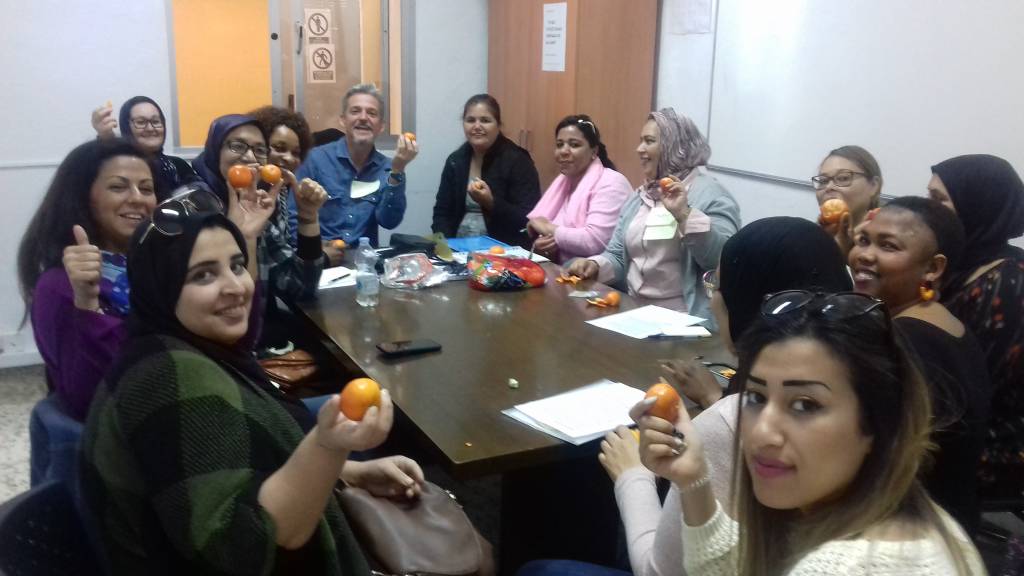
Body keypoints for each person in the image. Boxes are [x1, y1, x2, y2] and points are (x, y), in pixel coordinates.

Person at [80, 212, 424, 574]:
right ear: (160, 288)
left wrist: (348, 472)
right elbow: (245, 548)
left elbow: (242, 466)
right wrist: (328, 447)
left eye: (237, 265)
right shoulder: (170, 377)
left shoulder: (183, 350)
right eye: (203, 275)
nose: (236, 287)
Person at [639, 291, 985, 575]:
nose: (763, 433)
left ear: (877, 425)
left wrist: (633, 479)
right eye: (756, 397)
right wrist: (694, 480)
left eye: (805, 405)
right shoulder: (928, 523)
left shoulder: (836, 568)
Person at [593, 218, 852, 576]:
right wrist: (714, 396)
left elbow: (659, 571)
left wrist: (632, 476)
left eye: (717, 285)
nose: (712, 297)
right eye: (758, 397)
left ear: (743, 302)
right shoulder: (857, 392)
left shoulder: (728, 422)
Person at [850, 196, 992, 533]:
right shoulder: (937, 320)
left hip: (912, 528)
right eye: (863, 240)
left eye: (888, 246)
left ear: (933, 268)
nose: (864, 255)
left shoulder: (906, 342)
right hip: (944, 516)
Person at [17, 139, 156, 421]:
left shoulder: (155, 265)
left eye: (146, 188)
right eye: (118, 187)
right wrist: (88, 303)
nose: (137, 198)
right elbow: (88, 400)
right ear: (82, 196)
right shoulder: (59, 286)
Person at [565, 108, 740, 325]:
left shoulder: (713, 195)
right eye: (641, 141)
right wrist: (595, 265)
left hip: (686, 321)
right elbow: (618, 255)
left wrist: (684, 215)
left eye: (649, 141)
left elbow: (723, 261)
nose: (639, 149)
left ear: (676, 147)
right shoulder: (641, 196)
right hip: (633, 312)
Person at [929, 154, 1024, 500]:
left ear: (978, 205)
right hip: (950, 418)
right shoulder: (961, 262)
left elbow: (972, 392)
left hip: (992, 445)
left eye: (939, 199)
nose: (930, 210)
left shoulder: (1006, 283)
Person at [192, 113, 328, 310]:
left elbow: (300, 286)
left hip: (257, 321)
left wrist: (308, 218)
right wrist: (242, 237)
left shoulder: (255, 205)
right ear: (215, 150)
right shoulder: (193, 207)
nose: (250, 157)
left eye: (259, 150)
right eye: (237, 146)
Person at [296, 83, 419, 246]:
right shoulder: (314, 159)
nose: (363, 118)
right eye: (355, 111)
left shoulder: (388, 167)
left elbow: (389, 221)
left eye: (372, 113)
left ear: (381, 126)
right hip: (318, 256)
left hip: (364, 259)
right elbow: (293, 219)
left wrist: (398, 170)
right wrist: (319, 250)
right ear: (343, 120)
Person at [432, 94, 541, 247]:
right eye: (470, 120)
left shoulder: (518, 160)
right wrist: (445, 246)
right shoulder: (455, 160)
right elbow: (442, 212)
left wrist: (491, 202)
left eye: (485, 120)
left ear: (498, 125)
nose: (477, 126)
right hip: (457, 248)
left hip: (503, 250)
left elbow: (529, 219)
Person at [525, 115, 631, 262]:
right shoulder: (563, 183)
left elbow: (593, 241)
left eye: (574, 145)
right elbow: (552, 237)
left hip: (599, 273)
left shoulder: (612, 183)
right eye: (559, 145)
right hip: (562, 270)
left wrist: (548, 228)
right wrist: (542, 247)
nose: (563, 151)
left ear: (594, 151)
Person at [91, 96, 199, 198]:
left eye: (155, 121)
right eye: (141, 122)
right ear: (126, 127)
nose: (150, 128)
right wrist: (105, 139)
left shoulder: (178, 165)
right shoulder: (119, 168)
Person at [811, 145, 882, 255]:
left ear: (873, 186)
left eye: (843, 178)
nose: (829, 187)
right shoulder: (809, 237)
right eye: (823, 181)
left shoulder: (888, 241)